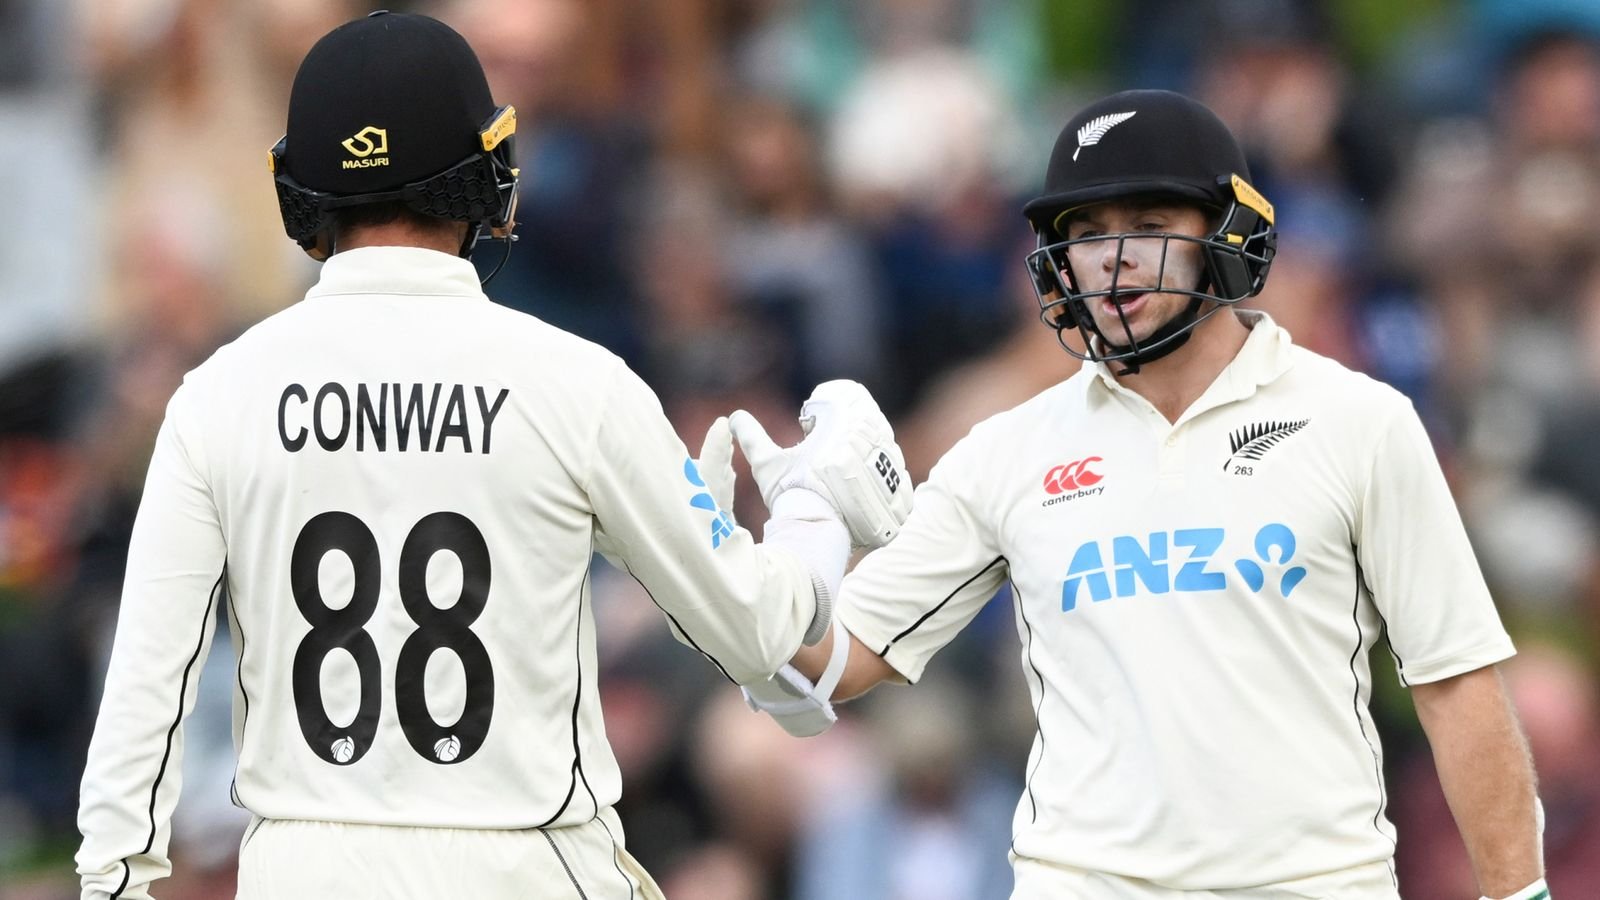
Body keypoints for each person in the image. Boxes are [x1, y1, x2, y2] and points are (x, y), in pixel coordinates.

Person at [74, 12, 910, 899]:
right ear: (490, 178)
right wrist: (814, 507)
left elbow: (140, 711)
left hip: (301, 874)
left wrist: (110, 887)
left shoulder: (215, 397)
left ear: (301, 192)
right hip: (525, 866)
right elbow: (767, 631)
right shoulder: (578, 386)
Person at [735, 89, 1549, 899]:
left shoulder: (1361, 424)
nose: (1112, 257)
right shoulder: (1007, 450)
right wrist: (735, 558)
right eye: (1085, 236)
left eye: (1150, 227)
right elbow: (830, 663)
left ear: (1230, 237)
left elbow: (1456, 686)